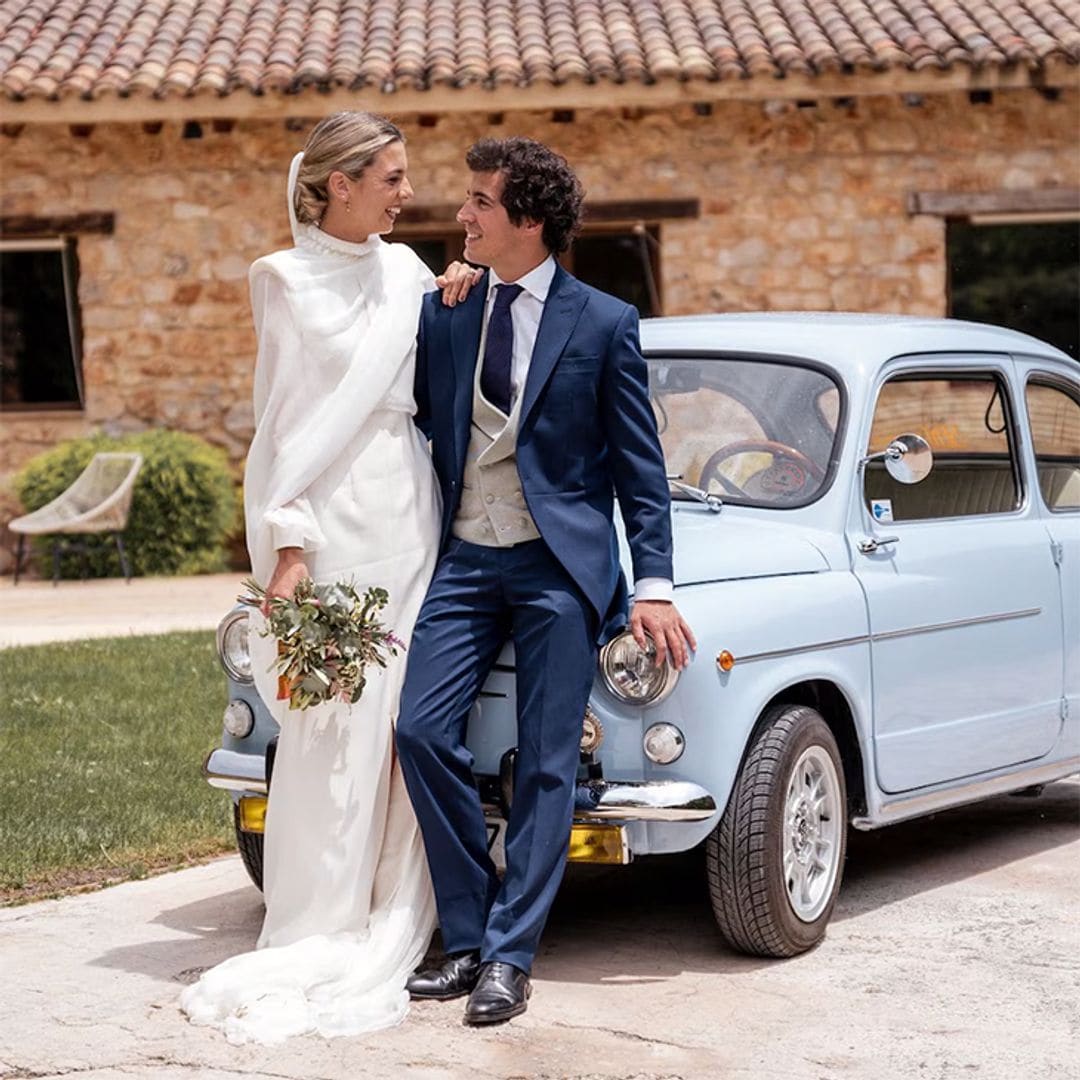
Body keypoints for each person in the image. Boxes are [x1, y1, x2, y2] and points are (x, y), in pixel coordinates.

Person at [180, 112, 474, 1044]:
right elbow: (283, 426)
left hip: (411, 510)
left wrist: (461, 288)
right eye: (389, 175)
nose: (407, 191)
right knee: (332, 720)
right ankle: (319, 919)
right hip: (335, 525)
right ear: (338, 182)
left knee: (400, 724)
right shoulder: (283, 280)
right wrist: (289, 547)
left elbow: (438, 358)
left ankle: (402, 902)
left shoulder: (408, 271)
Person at [396, 137, 696, 1025]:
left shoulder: (604, 322)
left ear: (528, 220)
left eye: (479, 202)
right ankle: (466, 933)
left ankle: (509, 959)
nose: (461, 216)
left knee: (548, 763)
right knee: (418, 731)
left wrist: (656, 586)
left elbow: (640, 473)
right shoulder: (446, 311)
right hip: (464, 557)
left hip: (556, 567)